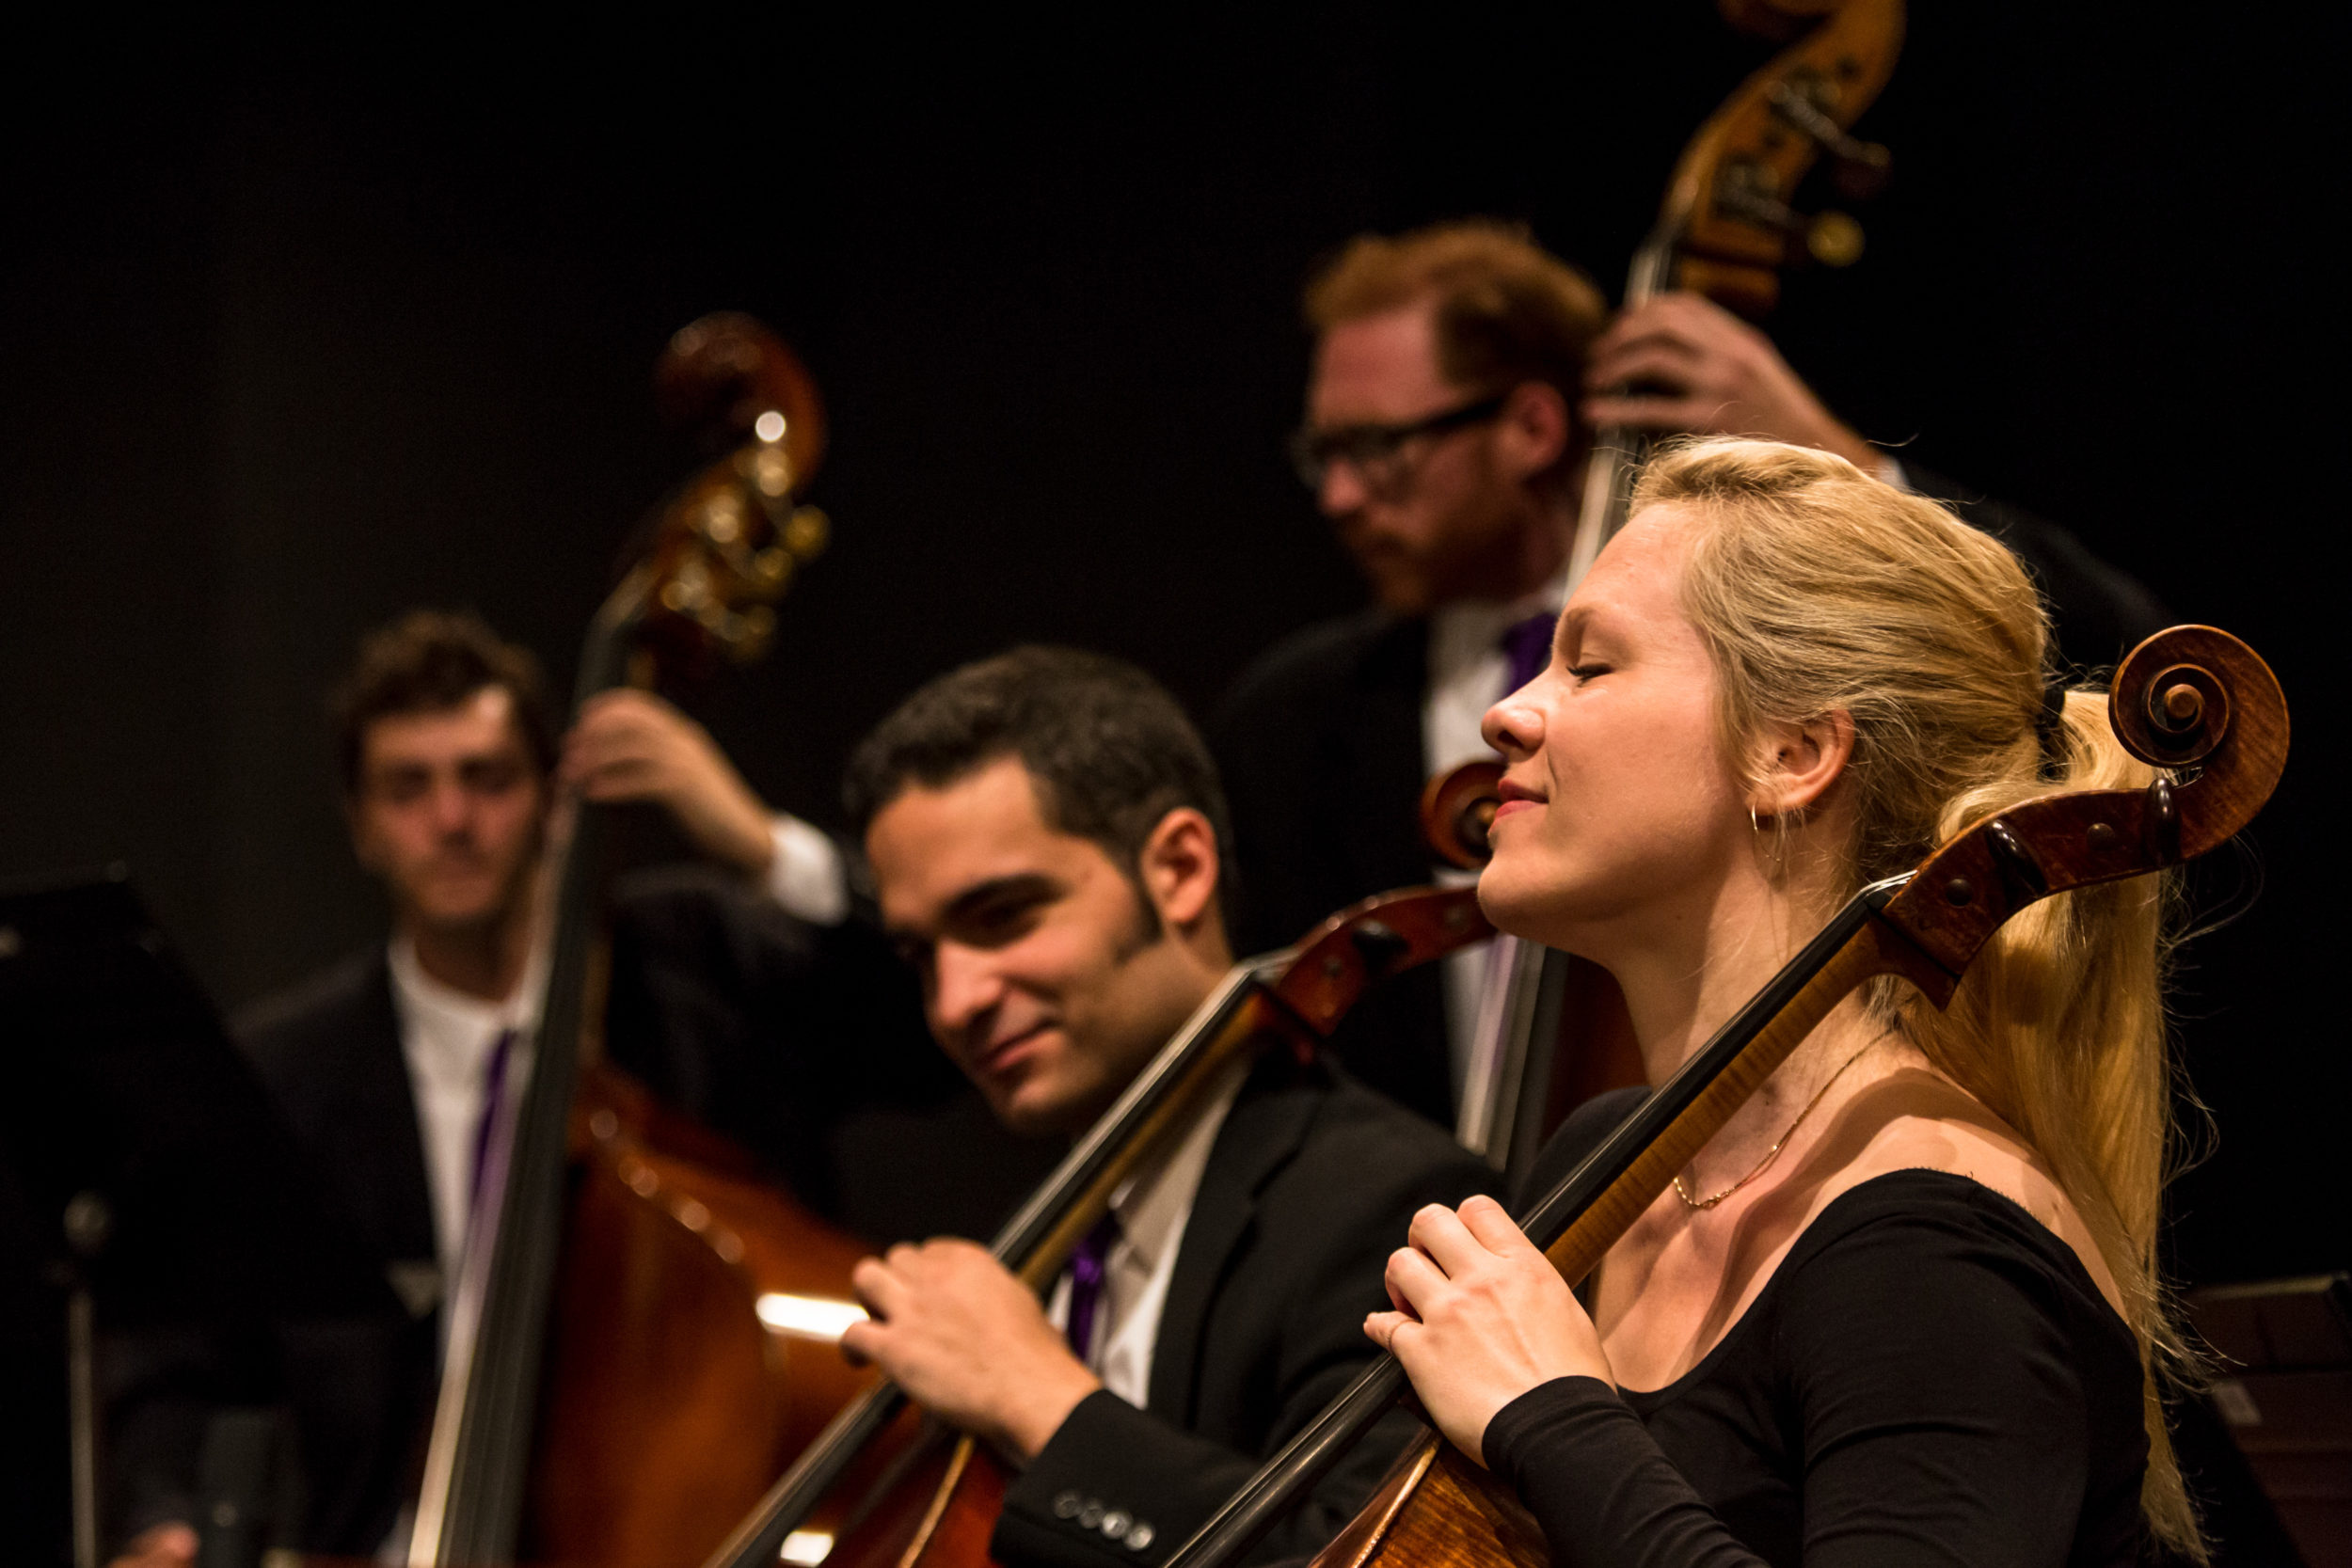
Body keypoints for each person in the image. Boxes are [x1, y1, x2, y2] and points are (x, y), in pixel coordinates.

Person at [1365, 437, 2197, 1563]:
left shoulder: (1929, 1248)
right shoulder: (1611, 1160)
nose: (1508, 714)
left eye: (1589, 665)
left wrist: (1549, 1415)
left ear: (1791, 751)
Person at [1211, 220, 2167, 1132]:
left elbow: (2114, 663)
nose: (1337, 496)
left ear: (1532, 426)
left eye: (1377, 449)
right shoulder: (1290, 721)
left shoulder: (1733, 630)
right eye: (1323, 454)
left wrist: (1842, 462)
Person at [106, 610, 951, 1566]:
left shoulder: (702, 963)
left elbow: (935, 1036)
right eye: (408, 787)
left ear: (556, 798)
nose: (453, 818)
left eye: (488, 777)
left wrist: (761, 844)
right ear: (360, 825)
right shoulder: (284, 1075)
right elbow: (182, 1357)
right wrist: (162, 1520)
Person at [835, 647, 1495, 1568]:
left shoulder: (1392, 1209)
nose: (954, 1000)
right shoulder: (1046, 1251)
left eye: (1002, 916)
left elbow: (1356, 1555)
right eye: (920, 955)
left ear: (1179, 868)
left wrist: (1041, 1400)